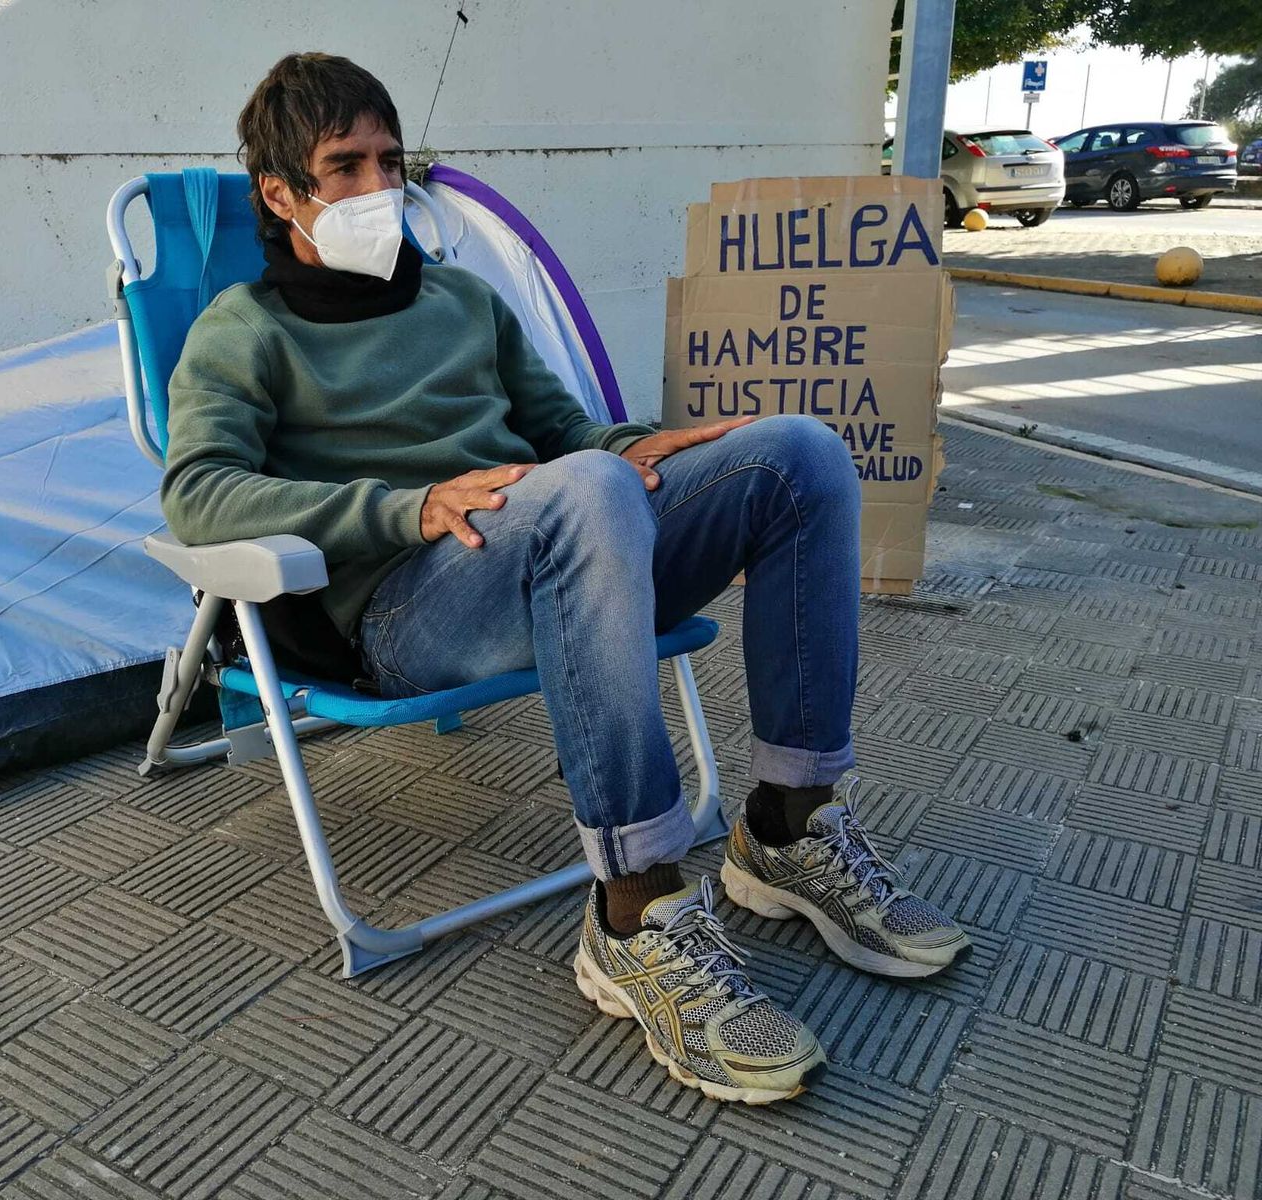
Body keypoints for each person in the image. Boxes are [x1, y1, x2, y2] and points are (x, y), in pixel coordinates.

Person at [161, 52, 971, 1105]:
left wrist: (642, 446)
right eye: (343, 166)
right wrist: (403, 506)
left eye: (388, 161)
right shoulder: (244, 329)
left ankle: (785, 826)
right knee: (587, 492)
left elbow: (565, 438)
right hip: (409, 607)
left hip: (559, 549)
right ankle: (633, 908)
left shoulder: (461, 300)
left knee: (798, 454)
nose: (376, 188)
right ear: (281, 193)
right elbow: (198, 492)